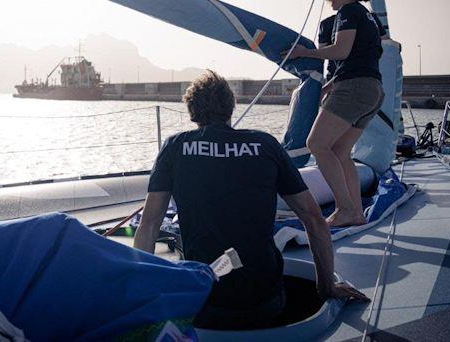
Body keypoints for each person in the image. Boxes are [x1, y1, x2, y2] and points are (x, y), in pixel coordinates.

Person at [133, 71, 368, 330]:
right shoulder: (265, 144)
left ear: (191, 111)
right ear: (231, 107)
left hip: (205, 303)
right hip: (264, 301)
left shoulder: (175, 147)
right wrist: (326, 287)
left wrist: (142, 296)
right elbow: (314, 220)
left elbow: (150, 225)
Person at [286, 0, 385, 227]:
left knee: (317, 144)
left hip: (354, 89)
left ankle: (346, 209)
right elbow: (363, 56)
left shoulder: (348, 12)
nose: (329, 0)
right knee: (340, 151)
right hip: (372, 89)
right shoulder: (370, 17)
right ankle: (356, 213)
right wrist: (329, 86)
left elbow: (341, 50)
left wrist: (303, 52)